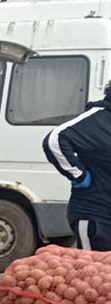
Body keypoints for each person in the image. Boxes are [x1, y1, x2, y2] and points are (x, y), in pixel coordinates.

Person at [43, 83, 111, 251]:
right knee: (91, 272)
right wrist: (79, 176)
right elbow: (54, 140)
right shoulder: (98, 118)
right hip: (95, 214)